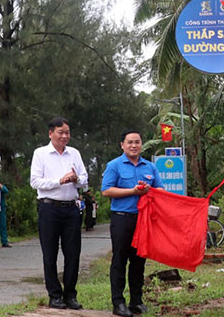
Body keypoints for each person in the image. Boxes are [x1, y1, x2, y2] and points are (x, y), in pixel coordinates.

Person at [102, 130, 163, 317]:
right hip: (122, 218)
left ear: (141, 144)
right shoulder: (115, 165)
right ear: (122, 145)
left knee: (139, 261)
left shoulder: (150, 167)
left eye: (137, 142)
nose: (134, 145)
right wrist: (133, 191)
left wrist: (149, 190)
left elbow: (160, 188)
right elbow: (106, 191)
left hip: (143, 219)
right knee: (119, 260)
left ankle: (136, 301)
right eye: (129, 142)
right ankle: (118, 302)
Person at [29, 116, 88, 310]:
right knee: (50, 252)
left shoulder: (74, 154)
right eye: (61, 132)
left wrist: (75, 178)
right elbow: (35, 182)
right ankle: (54, 295)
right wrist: (59, 181)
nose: (65, 136)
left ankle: (70, 295)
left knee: (73, 253)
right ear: (50, 133)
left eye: (67, 132)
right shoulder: (41, 153)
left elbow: (84, 181)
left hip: (71, 208)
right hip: (49, 208)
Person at [0, 179, 11, 247]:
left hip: (1, 207)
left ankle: (4, 241)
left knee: (3, 225)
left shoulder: (0, 187)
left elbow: (6, 191)